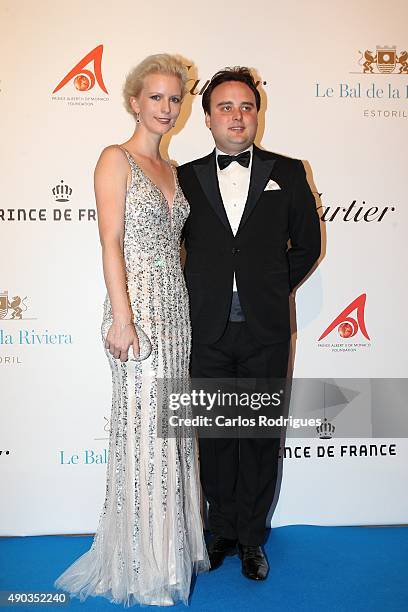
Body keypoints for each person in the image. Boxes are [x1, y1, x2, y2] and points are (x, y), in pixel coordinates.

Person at [54, 54, 209, 607]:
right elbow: (111, 242)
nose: (166, 108)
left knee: (170, 431)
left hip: (175, 308)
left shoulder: (173, 169)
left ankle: (167, 555)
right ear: (134, 101)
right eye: (156, 98)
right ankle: (141, 565)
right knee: (144, 434)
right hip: (136, 308)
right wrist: (122, 318)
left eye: (175, 98)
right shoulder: (114, 159)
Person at [177, 67, 321, 581]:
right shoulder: (184, 177)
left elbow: (307, 245)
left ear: (257, 113)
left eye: (246, 107)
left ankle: (254, 537)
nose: (237, 116)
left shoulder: (288, 169)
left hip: (265, 328)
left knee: (259, 435)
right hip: (205, 329)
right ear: (208, 118)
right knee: (215, 435)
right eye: (225, 107)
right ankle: (222, 532)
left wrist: (268, 290)